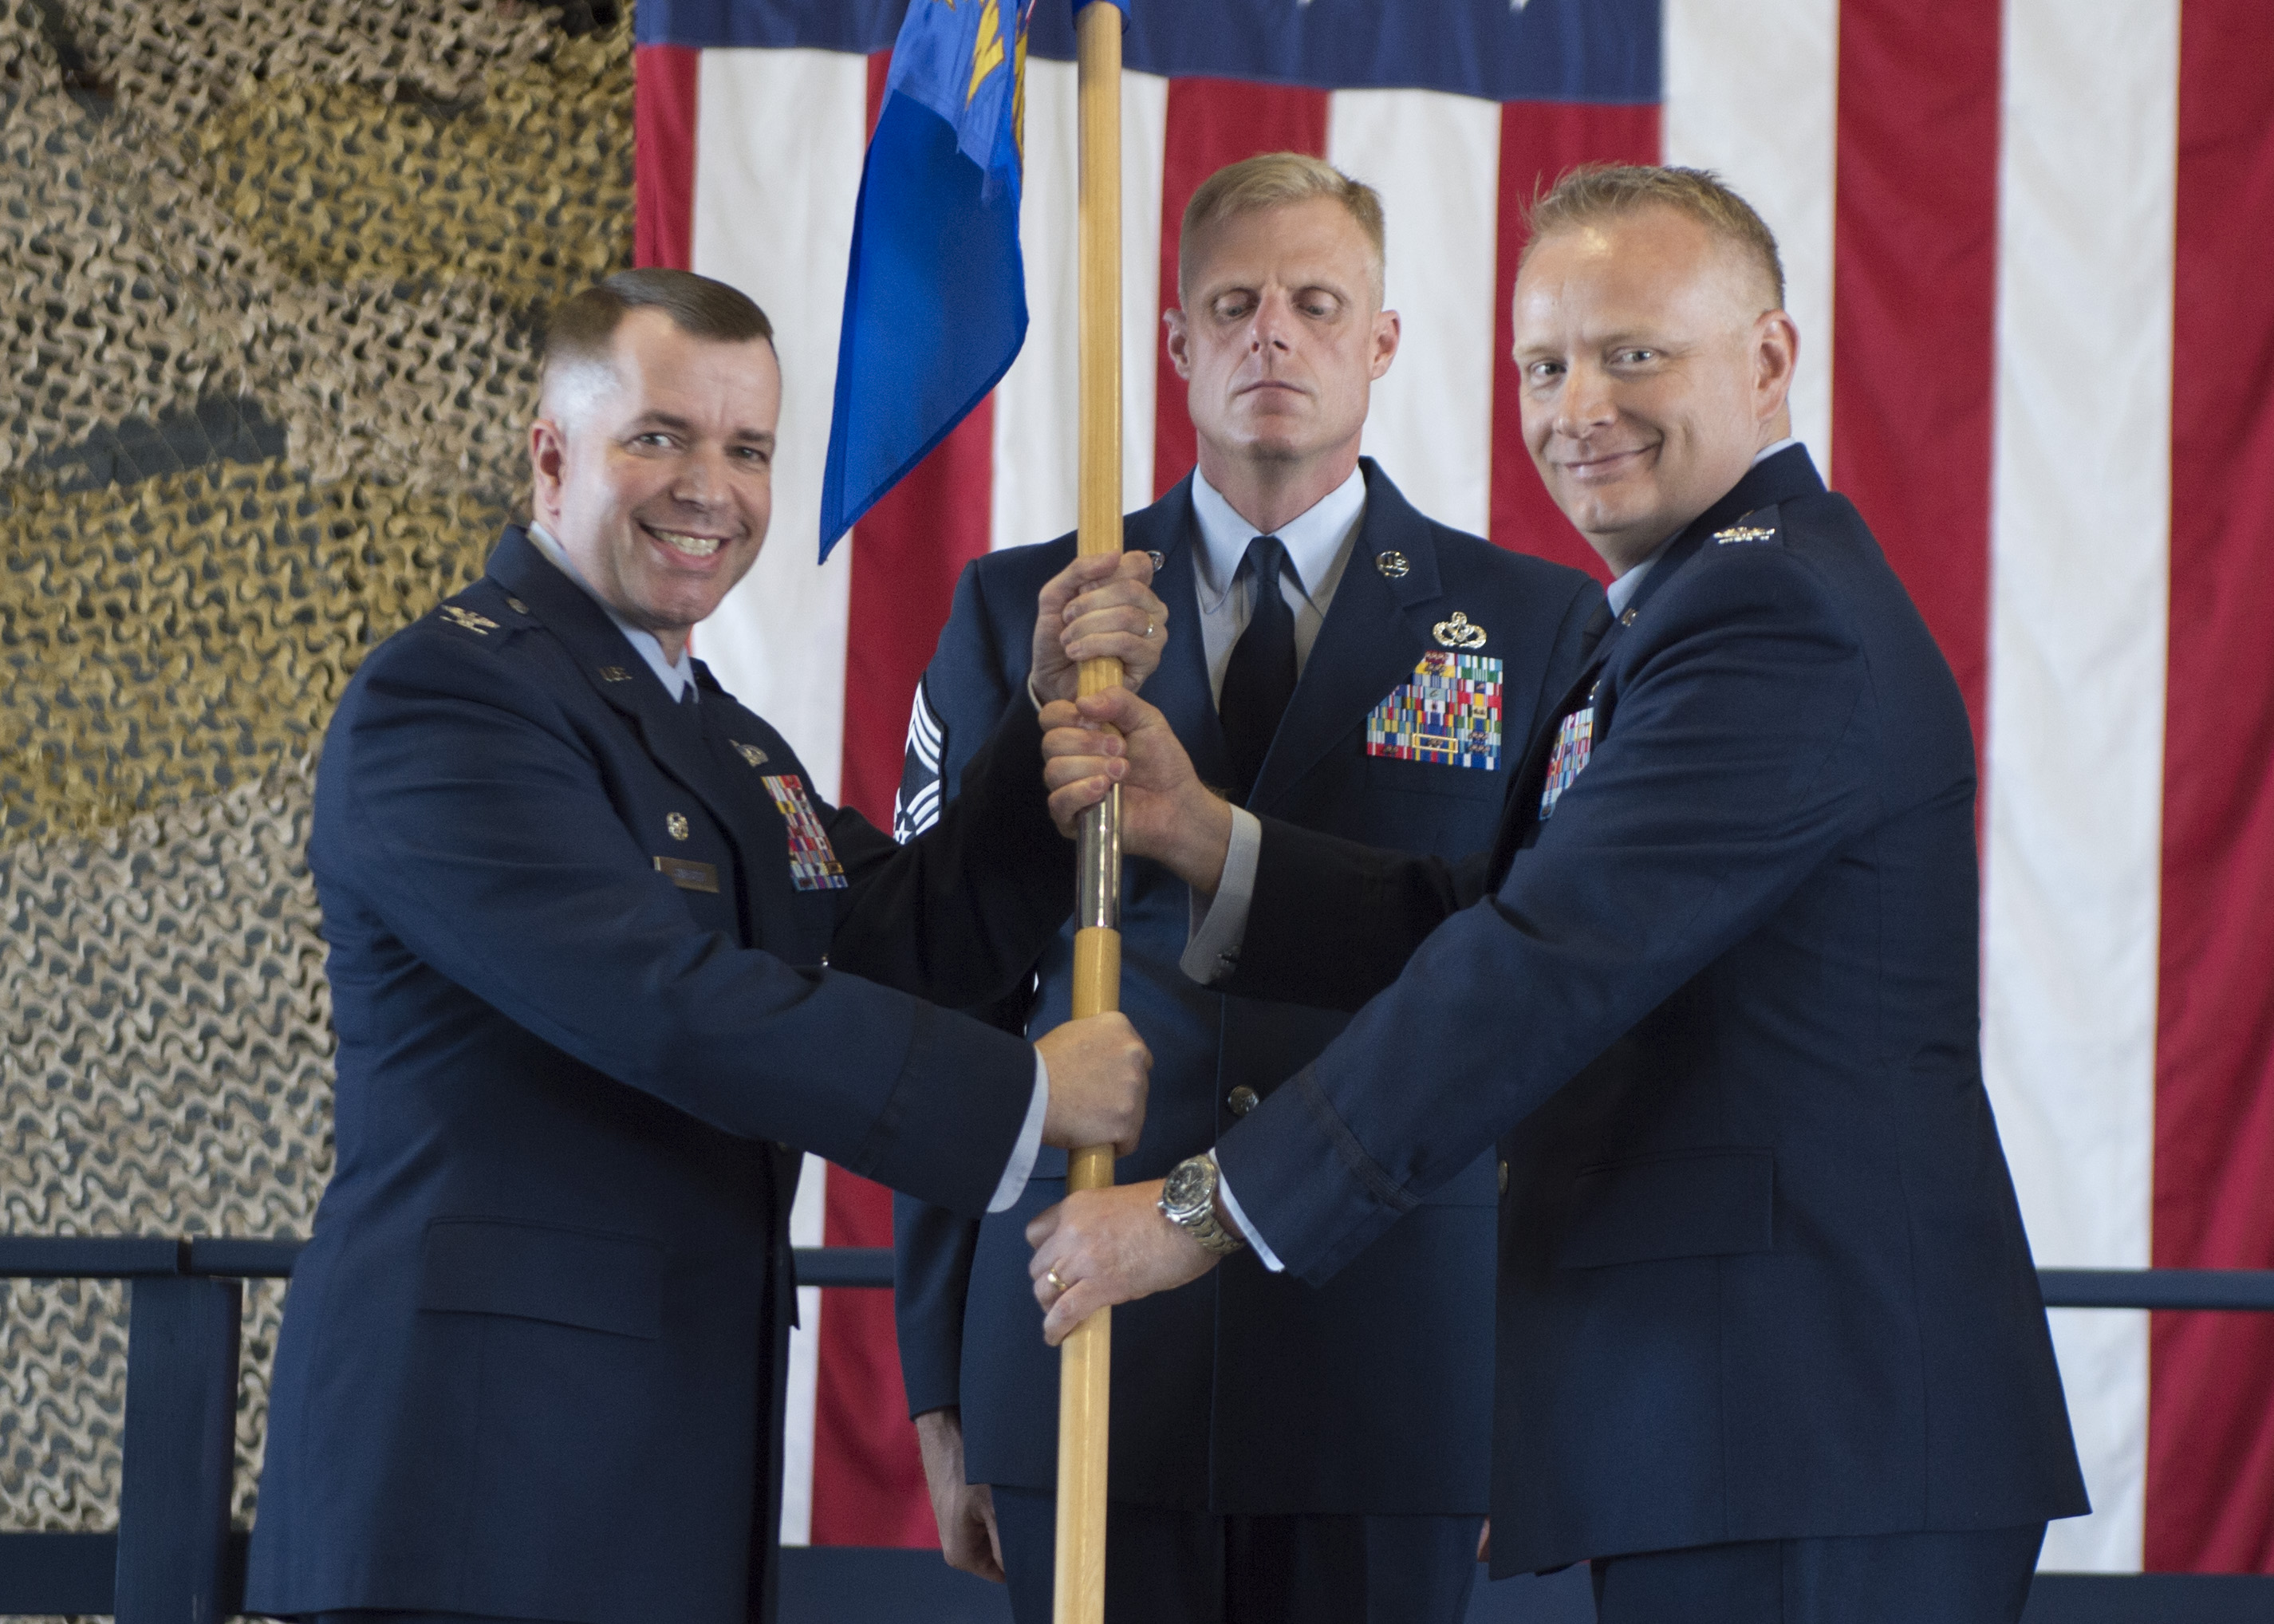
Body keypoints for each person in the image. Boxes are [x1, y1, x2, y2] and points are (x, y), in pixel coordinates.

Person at [1027, 167, 2090, 1624]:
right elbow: (1504, 910)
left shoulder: (1770, 618)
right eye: (1546, 363)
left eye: (1634, 351)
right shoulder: (1693, 602)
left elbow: (1544, 963)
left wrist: (1203, 1214)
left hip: (1804, 1429)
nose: (1578, 404)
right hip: (1753, 1431)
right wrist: (1210, 838)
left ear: (1771, 360)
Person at [243, 268, 1159, 1624]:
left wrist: (1043, 740)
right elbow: (666, 1007)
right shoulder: (449, 701)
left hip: (656, 1459)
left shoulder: (717, 733)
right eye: (660, 437)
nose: (708, 489)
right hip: (470, 1491)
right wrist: (1028, 1096)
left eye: (748, 450)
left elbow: (898, 940)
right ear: (552, 454)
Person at [891, 153, 1601, 1624]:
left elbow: (1553, 1014)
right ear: (1176, 344)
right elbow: (946, 995)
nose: (1272, 332)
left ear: (1383, 342)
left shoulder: (1537, 627)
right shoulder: (1025, 613)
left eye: (1316, 302)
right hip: (1081, 1347)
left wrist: (1531, 1374)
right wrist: (941, 1368)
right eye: (1234, 303)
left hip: (1396, 1357)